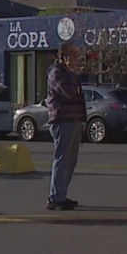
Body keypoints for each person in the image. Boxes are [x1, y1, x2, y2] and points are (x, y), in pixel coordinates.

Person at [45, 41, 85, 210]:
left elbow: (78, 95)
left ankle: (61, 193)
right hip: (62, 120)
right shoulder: (57, 72)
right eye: (72, 55)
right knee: (62, 159)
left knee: (70, 161)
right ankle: (55, 197)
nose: (75, 58)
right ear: (63, 56)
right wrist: (73, 75)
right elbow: (68, 91)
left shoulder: (69, 73)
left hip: (74, 119)